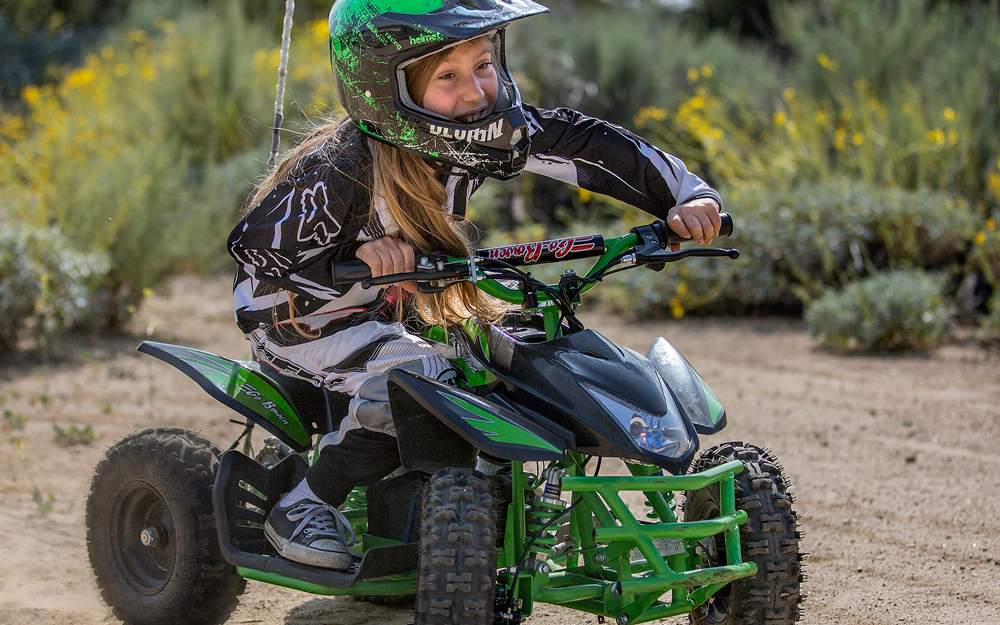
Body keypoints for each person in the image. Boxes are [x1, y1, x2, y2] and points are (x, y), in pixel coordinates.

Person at [228, 0, 723, 571]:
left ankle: (499, 503)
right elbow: (255, 255)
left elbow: (588, 144)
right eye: (448, 75)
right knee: (425, 381)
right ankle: (306, 501)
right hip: (299, 315)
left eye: (483, 64)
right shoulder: (342, 172)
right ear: (389, 88)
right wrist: (353, 257)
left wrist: (687, 196)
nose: (475, 92)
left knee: (511, 352)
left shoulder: (483, 133)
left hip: (395, 299)